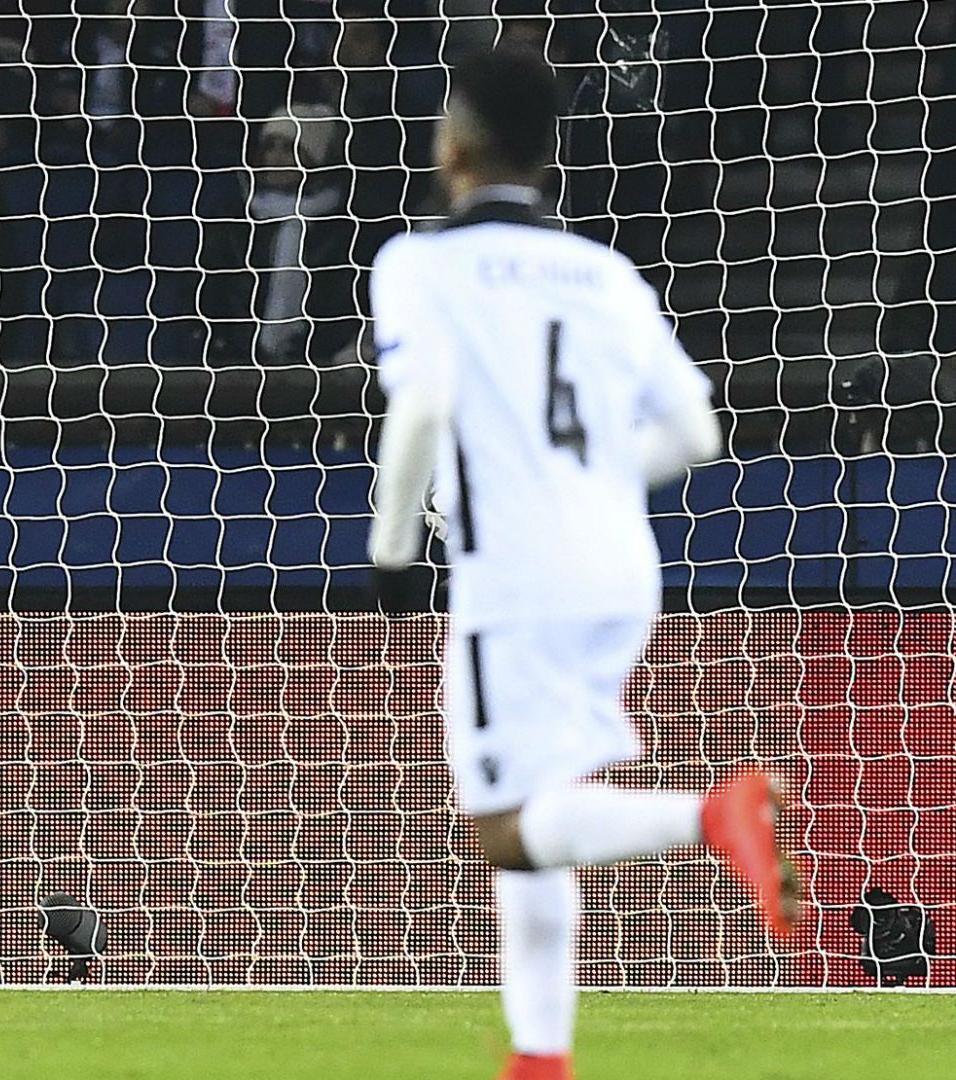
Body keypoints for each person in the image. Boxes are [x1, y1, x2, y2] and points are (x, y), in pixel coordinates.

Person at [364, 50, 802, 1080]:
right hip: (618, 566)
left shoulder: (417, 264)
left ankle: (713, 814)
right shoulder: (604, 274)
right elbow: (695, 431)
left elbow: (421, 407)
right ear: (548, 153)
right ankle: (541, 1053)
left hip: (515, 577)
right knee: (541, 794)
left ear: (451, 147)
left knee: (506, 829)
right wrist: (586, 484)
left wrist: (392, 556)